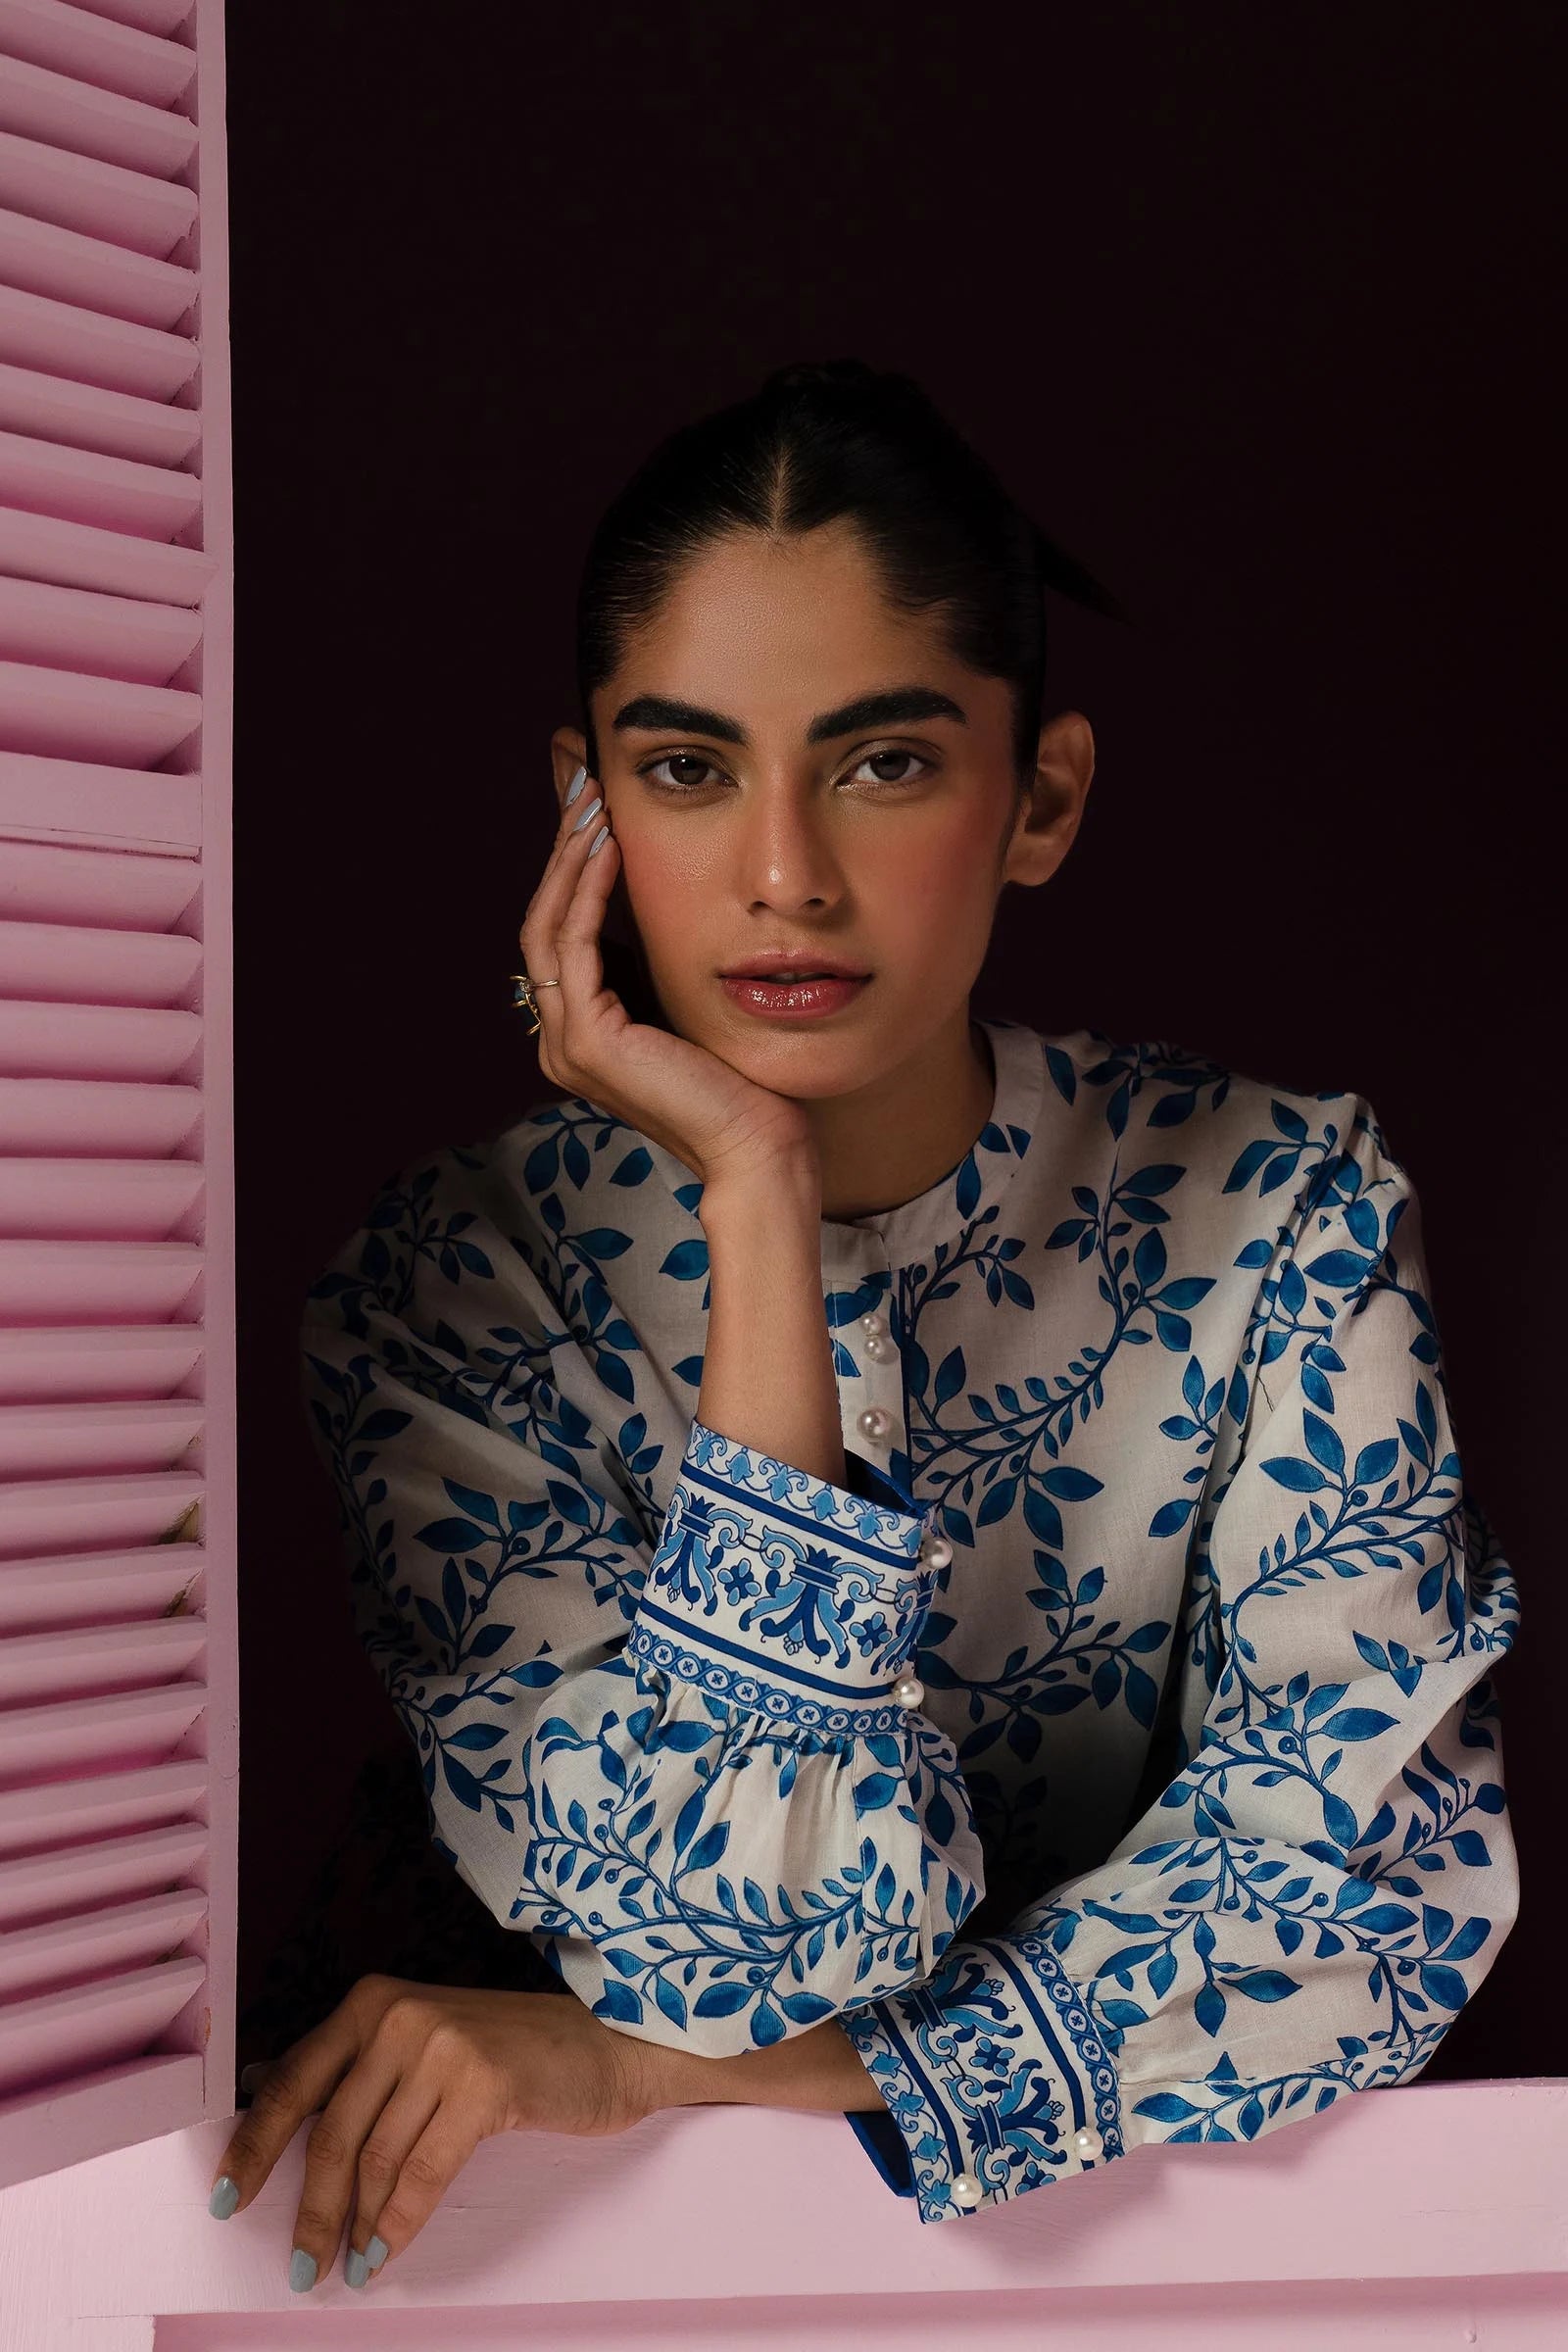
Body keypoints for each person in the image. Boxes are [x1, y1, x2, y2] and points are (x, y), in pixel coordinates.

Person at [216, 359, 1520, 2281]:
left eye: (883, 762)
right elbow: (724, 1951)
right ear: (579, 804)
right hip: (466, 2256)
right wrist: (753, 1190)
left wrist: (652, 2073)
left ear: (1040, 796)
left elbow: (1360, 1906)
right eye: (681, 769)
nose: (779, 875)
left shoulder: (1278, 1213)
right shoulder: (455, 1290)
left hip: (1087, 2277)